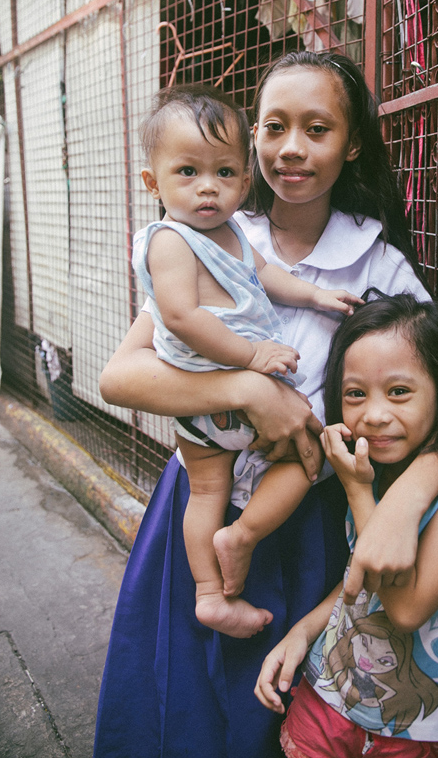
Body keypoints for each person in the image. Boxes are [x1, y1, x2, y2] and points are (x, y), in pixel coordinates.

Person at [94, 51, 438, 758]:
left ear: (353, 143)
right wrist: (249, 389)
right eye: (274, 127)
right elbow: (121, 376)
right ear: (253, 141)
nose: (292, 148)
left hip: (307, 524)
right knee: (177, 708)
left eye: (318, 128)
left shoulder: (377, 266)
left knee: (265, 718)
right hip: (200, 507)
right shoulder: (205, 234)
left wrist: (404, 503)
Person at [133, 86, 362, 638]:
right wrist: (252, 361)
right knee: (207, 491)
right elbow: (184, 319)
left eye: (226, 173)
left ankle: (238, 545)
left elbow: (268, 277)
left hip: (256, 415)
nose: (208, 188)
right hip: (206, 396)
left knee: (303, 465)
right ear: (153, 183)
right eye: (187, 172)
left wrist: (315, 296)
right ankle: (209, 593)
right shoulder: (169, 241)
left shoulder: (234, 232)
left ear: (243, 177)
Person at [255, 294, 438, 757]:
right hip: (327, 702)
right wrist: (302, 633)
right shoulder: (377, 468)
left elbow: (405, 607)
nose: (373, 414)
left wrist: (357, 492)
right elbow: (360, 580)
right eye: (355, 394)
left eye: (399, 392)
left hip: (417, 730)